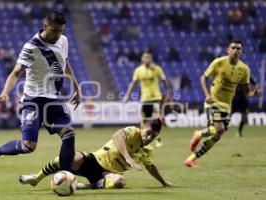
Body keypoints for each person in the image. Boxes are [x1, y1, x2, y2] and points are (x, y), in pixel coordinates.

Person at [0, 11, 81, 173]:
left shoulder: (63, 41)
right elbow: (16, 72)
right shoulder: (31, 46)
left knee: (69, 135)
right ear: (45, 26)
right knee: (28, 146)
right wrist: (5, 91)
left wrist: (76, 87)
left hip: (53, 100)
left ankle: (66, 175)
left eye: (61, 31)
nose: (58, 34)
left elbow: (64, 64)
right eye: (54, 30)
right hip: (33, 100)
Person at [19, 119, 172, 189]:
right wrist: (127, 157)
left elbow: (151, 167)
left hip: (106, 175)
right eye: (148, 133)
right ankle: (36, 178)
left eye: (153, 136)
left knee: (120, 182)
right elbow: (118, 136)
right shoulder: (133, 131)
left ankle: (81, 186)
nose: (149, 137)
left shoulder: (147, 151)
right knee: (72, 157)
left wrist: (163, 182)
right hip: (95, 160)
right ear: (143, 127)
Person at [184, 39, 261, 168]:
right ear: (228, 50)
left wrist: (255, 93)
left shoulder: (244, 69)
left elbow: (246, 92)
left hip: (227, 105)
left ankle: (191, 159)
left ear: (241, 52)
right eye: (233, 48)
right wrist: (207, 95)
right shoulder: (219, 62)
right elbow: (203, 78)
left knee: (217, 135)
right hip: (213, 101)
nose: (236, 50)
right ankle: (198, 134)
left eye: (238, 49)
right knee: (219, 129)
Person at [124, 52, 172, 147]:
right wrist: (127, 94)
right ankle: (143, 138)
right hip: (145, 98)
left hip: (156, 97)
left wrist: (168, 93)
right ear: (142, 59)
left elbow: (165, 81)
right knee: (145, 120)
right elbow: (133, 83)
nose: (147, 59)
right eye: (145, 57)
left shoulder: (157, 69)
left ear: (151, 59)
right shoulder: (138, 70)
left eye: (149, 57)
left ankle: (158, 138)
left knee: (156, 119)